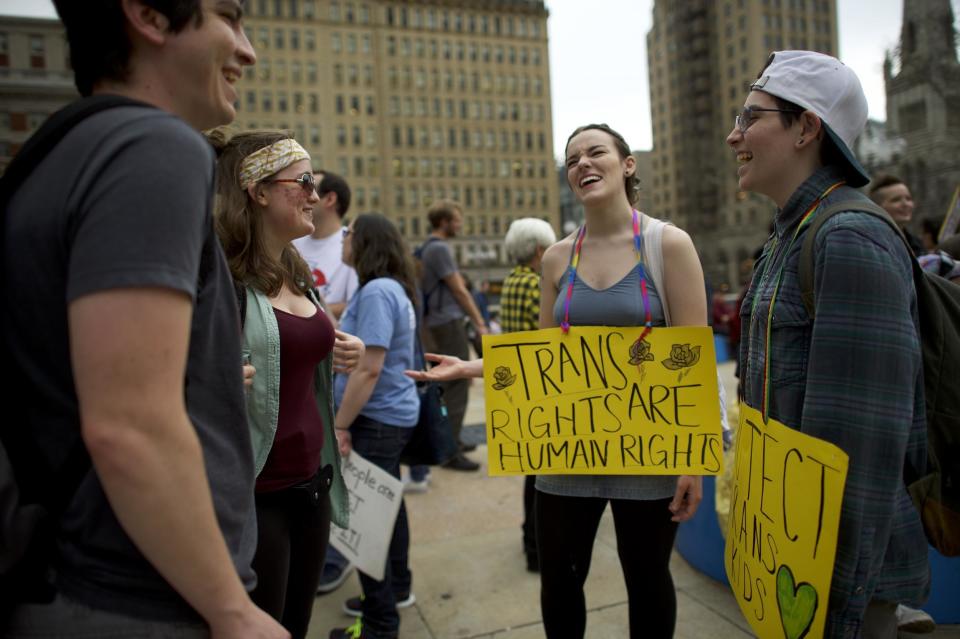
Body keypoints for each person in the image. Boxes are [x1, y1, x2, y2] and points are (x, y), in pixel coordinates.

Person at [0, 1, 292, 637]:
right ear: (150, 16)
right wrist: (232, 610)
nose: (248, 50)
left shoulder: (52, 156)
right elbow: (129, 424)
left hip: (72, 578)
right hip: (139, 597)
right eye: (228, 17)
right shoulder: (153, 147)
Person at [410, 123, 706, 638]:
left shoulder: (668, 245)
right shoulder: (555, 257)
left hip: (647, 448)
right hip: (569, 449)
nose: (583, 165)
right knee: (560, 584)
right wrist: (473, 368)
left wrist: (693, 463)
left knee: (648, 580)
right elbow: (551, 361)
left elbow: (691, 361)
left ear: (627, 164)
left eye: (596, 153)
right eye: (572, 160)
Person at [727, 50, 929, 636]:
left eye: (752, 116)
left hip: (839, 586)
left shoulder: (849, 238)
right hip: (794, 565)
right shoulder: (794, 232)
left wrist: (829, 606)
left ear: (806, 127)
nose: (733, 133)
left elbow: (859, 454)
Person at [210, 129, 361, 639]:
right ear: (258, 191)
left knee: (297, 623)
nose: (315, 196)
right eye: (302, 182)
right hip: (258, 492)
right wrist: (210, 378)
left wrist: (343, 347)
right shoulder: (221, 278)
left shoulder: (297, 270)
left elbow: (295, 352)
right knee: (264, 626)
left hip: (312, 482)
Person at [328, 213, 421, 639]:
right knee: (389, 506)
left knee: (367, 521)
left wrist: (340, 424)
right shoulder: (387, 289)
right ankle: (395, 591)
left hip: (376, 419)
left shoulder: (378, 291)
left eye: (348, 233)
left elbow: (369, 367)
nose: (342, 238)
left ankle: (380, 622)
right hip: (388, 416)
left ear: (365, 242)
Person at [292, 169, 358, 595]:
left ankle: (339, 556)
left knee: (344, 465)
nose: (306, 193)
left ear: (329, 198)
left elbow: (363, 301)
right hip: (299, 369)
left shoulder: (352, 242)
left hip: (340, 368)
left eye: (311, 183)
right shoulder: (292, 240)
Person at [499, 217, 557, 573]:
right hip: (539, 388)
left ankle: (529, 540)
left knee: (532, 474)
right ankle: (537, 547)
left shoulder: (510, 281)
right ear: (539, 250)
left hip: (518, 389)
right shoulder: (537, 285)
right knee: (543, 477)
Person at [417, 200, 489, 471]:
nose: (460, 224)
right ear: (444, 222)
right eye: (457, 219)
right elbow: (459, 290)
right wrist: (480, 322)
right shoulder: (439, 249)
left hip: (433, 324)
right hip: (447, 323)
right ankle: (451, 450)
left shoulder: (425, 248)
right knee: (458, 381)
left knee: (448, 384)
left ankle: (451, 439)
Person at [292, 170, 358, 320]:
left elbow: (355, 304)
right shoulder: (291, 243)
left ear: (330, 199)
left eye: (309, 189)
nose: (301, 196)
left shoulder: (353, 243)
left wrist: (300, 310)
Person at [869, 174, 925, 255]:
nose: (905, 204)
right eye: (896, 200)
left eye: (908, 198)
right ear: (877, 207)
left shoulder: (918, 244)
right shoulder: (871, 244)